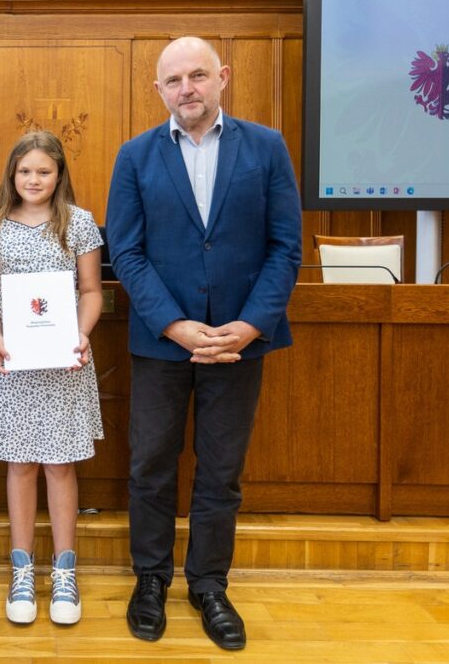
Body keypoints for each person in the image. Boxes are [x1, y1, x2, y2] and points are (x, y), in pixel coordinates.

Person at [105, 36, 301, 650]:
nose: (185, 89)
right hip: (163, 343)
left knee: (221, 472)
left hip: (240, 342)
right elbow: (126, 253)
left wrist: (249, 324)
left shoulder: (266, 148)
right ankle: (151, 580)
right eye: (173, 80)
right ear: (158, 89)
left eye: (196, 76)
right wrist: (174, 324)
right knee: (151, 469)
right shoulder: (135, 157)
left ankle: (209, 584)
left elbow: (284, 247)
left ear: (222, 77)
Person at [0, 131, 104, 626]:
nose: (34, 180)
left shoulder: (80, 224)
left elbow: (90, 290)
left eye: (43, 172)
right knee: (21, 465)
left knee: (59, 466)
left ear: (59, 175)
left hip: (64, 362)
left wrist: (81, 332)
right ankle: (22, 568)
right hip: (12, 361)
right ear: (12, 174)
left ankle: (66, 571)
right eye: (25, 171)